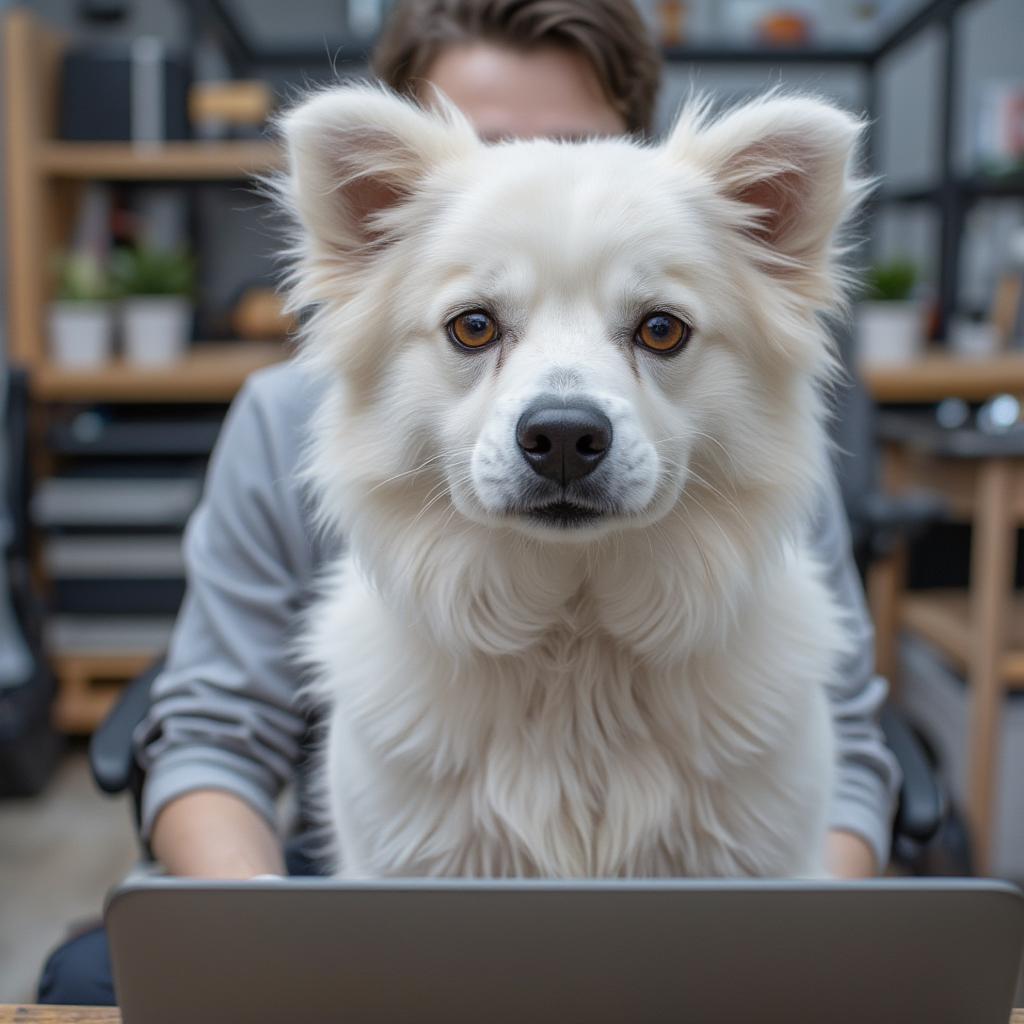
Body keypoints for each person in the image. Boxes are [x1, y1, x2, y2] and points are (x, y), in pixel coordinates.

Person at [39, 0, 898, 1004]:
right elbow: (210, 732)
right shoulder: (279, 418)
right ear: (373, 213)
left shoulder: (751, 452)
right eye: (476, 321)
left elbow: (855, 762)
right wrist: (275, 942)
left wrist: (797, 954)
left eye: (658, 328)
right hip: (367, 940)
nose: (566, 418)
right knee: (88, 979)